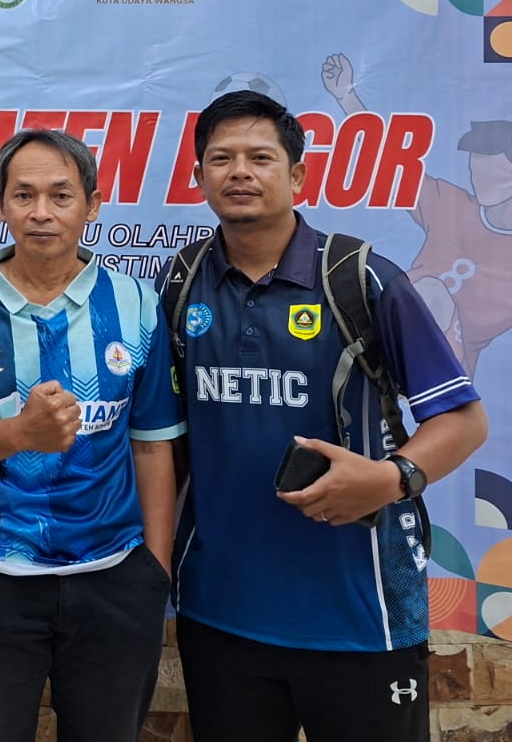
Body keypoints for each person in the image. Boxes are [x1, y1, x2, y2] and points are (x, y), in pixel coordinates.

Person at [169, 90, 488, 742]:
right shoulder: (180, 282)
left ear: (298, 176)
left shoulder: (360, 278)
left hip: (361, 615)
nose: (240, 172)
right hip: (220, 611)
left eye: (260, 157)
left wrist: (391, 478)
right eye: (221, 158)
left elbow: (463, 420)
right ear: (199, 177)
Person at [0, 129, 183, 742]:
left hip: (115, 579)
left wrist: (154, 572)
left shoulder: (135, 303)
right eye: (23, 195)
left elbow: (151, 444)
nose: (41, 212)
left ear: (92, 205)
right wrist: (19, 433)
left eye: (61, 195)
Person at [323, 52, 512, 378]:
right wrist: (346, 97)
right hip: (378, 352)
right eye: (474, 169)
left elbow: (453, 316)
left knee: (430, 292)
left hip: (437, 375)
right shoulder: (454, 205)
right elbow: (390, 163)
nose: (478, 178)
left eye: (491, 170)